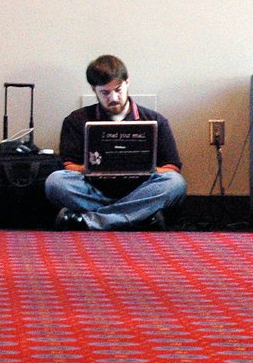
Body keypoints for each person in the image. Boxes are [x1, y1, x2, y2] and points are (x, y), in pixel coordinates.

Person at [45, 54, 186, 231]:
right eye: (105, 92)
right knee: (55, 182)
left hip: (141, 191)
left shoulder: (155, 120)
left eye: (118, 90)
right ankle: (139, 217)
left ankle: (92, 221)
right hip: (94, 191)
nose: (113, 98)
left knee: (175, 183)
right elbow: (68, 165)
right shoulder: (76, 120)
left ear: (127, 83)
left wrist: (146, 170)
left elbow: (172, 167)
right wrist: (91, 169)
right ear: (94, 89)